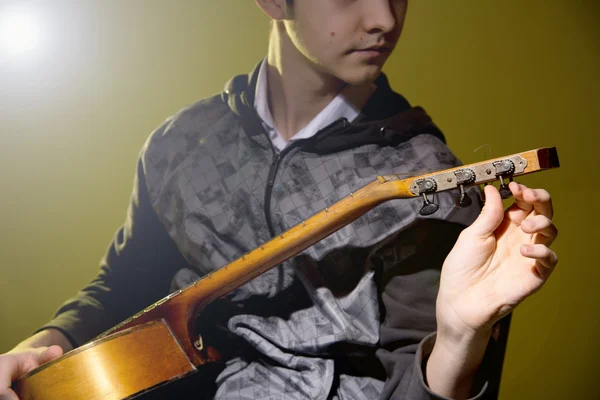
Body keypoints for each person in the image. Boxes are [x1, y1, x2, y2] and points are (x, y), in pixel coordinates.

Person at [0, 0, 558, 399]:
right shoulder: (180, 142)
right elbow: (124, 284)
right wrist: (47, 346)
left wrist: (462, 337)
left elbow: (411, 383)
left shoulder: (434, 182)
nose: (385, 18)